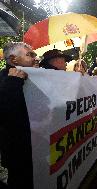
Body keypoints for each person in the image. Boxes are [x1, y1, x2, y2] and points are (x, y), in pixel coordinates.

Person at [0, 42, 37, 188]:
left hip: (36, 145)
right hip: (17, 150)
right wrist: (13, 83)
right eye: (29, 55)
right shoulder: (5, 80)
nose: (35, 58)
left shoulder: (35, 77)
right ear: (14, 60)